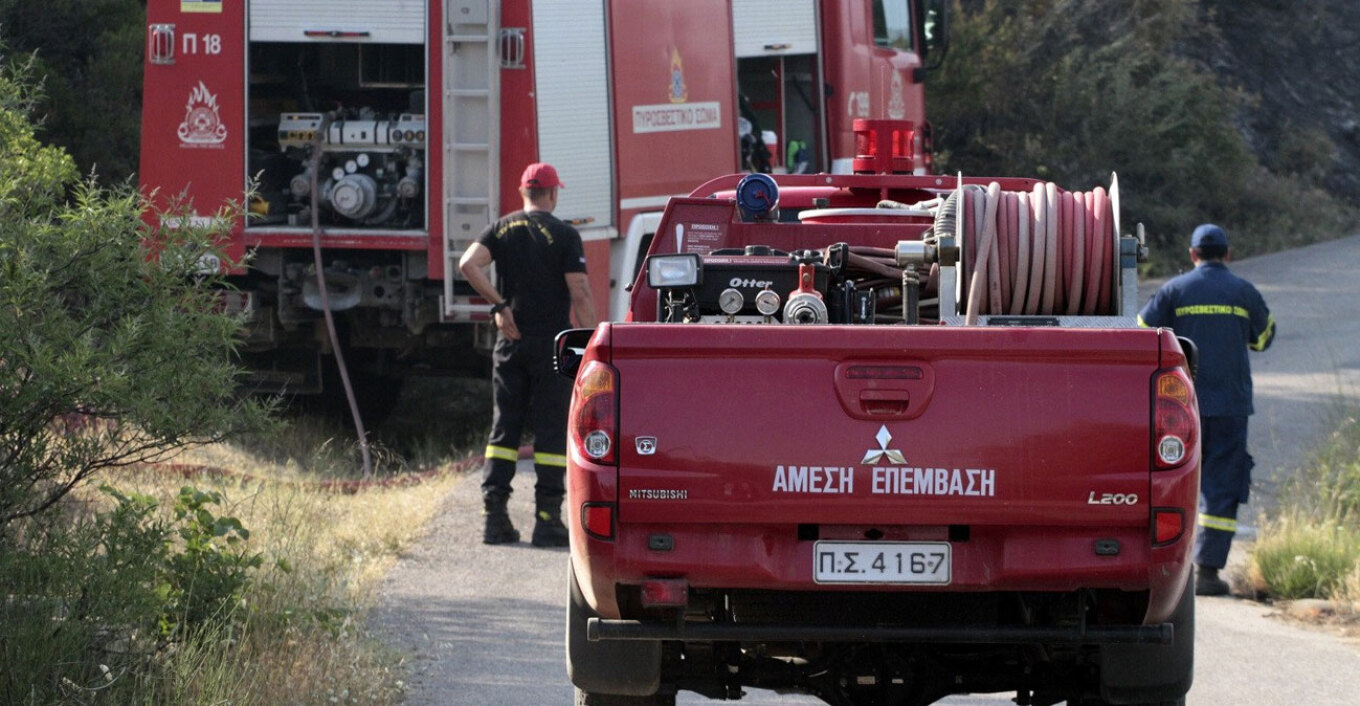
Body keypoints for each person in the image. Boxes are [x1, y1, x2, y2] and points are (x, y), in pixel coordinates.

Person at [458, 163, 598, 546]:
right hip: (553, 344)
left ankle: (494, 517)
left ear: (523, 193)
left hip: (511, 342)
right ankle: (547, 520)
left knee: (505, 428)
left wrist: (499, 306)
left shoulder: (501, 228)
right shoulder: (565, 234)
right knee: (551, 429)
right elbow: (581, 292)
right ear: (553, 194)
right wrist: (593, 342)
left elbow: (467, 264)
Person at [1138, 223, 1276, 596]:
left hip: (1179, 406)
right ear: (1227, 254)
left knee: (1171, 481)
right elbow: (1264, 338)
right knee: (1222, 487)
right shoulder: (1243, 291)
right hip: (1230, 406)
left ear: (1192, 255)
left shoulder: (1174, 290)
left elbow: (1140, 332)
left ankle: (1164, 570)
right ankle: (1209, 572)